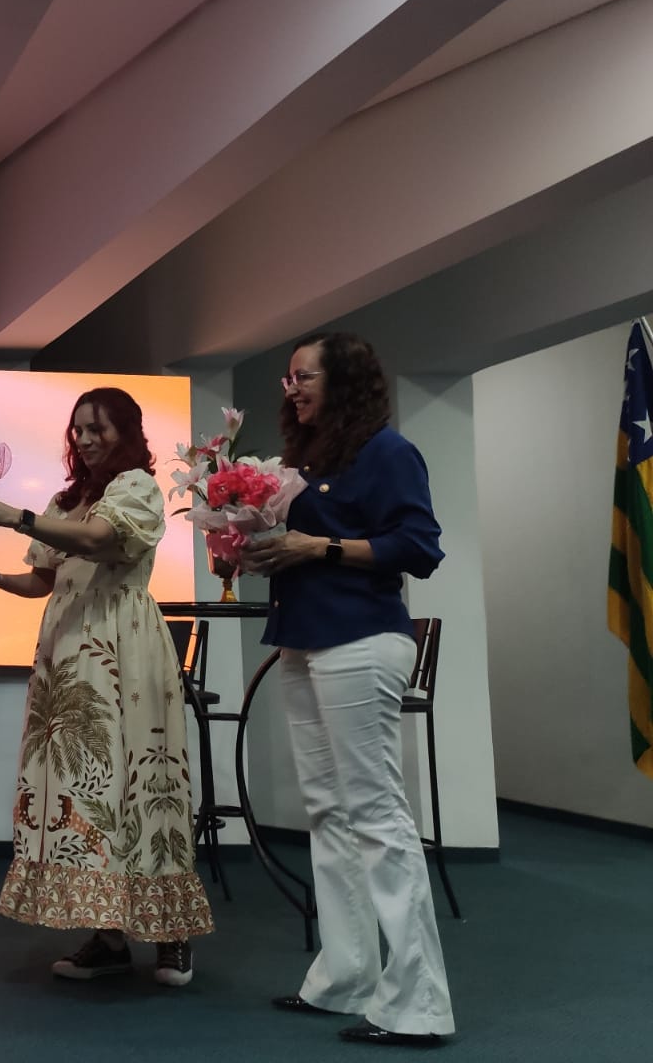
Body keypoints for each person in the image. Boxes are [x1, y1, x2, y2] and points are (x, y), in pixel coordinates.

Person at [240, 331, 454, 1047]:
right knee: (329, 813)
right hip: (303, 640)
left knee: (377, 816)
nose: (292, 389)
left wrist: (317, 547)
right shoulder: (306, 460)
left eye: (303, 377)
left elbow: (419, 547)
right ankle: (347, 977)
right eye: (288, 379)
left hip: (361, 640)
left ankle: (419, 1004)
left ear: (344, 380)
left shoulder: (388, 452)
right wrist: (255, 550)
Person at [0, 388, 214, 987]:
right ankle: (108, 936)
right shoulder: (67, 499)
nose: (84, 439)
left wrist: (13, 515)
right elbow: (45, 580)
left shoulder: (136, 488)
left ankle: (170, 933)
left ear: (125, 432)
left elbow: (99, 540)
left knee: (142, 783)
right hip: (70, 649)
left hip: (123, 645)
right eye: (77, 429)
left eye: (97, 428)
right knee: (85, 788)